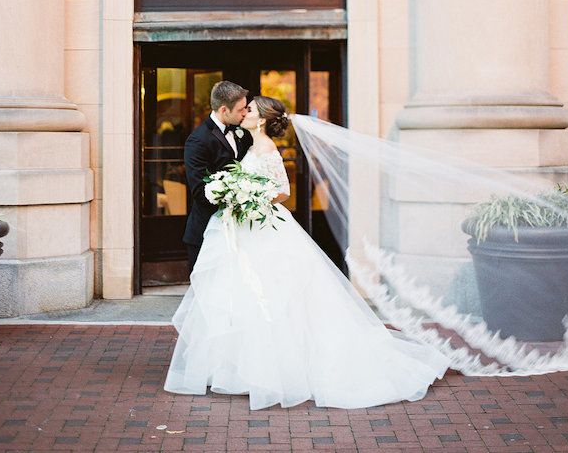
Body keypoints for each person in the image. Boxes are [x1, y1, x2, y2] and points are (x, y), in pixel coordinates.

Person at [165, 94, 450, 409]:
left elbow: (282, 190)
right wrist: (235, 190)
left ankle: (276, 370)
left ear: (260, 119)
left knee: (273, 295)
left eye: (250, 110)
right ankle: (240, 368)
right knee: (243, 294)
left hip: (264, 229)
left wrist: (248, 195)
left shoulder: (266, 148)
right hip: (247, 228)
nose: (244, 113)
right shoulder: (251, 146)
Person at [182, 80, 253, 274]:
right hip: (207, 230)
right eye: (240, 110)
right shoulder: (198, 140)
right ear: (224, 110)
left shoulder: (243, 133)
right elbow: (199, 191)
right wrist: (236, 196)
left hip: (239, 230)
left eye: (246, 108)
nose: (245, 113)